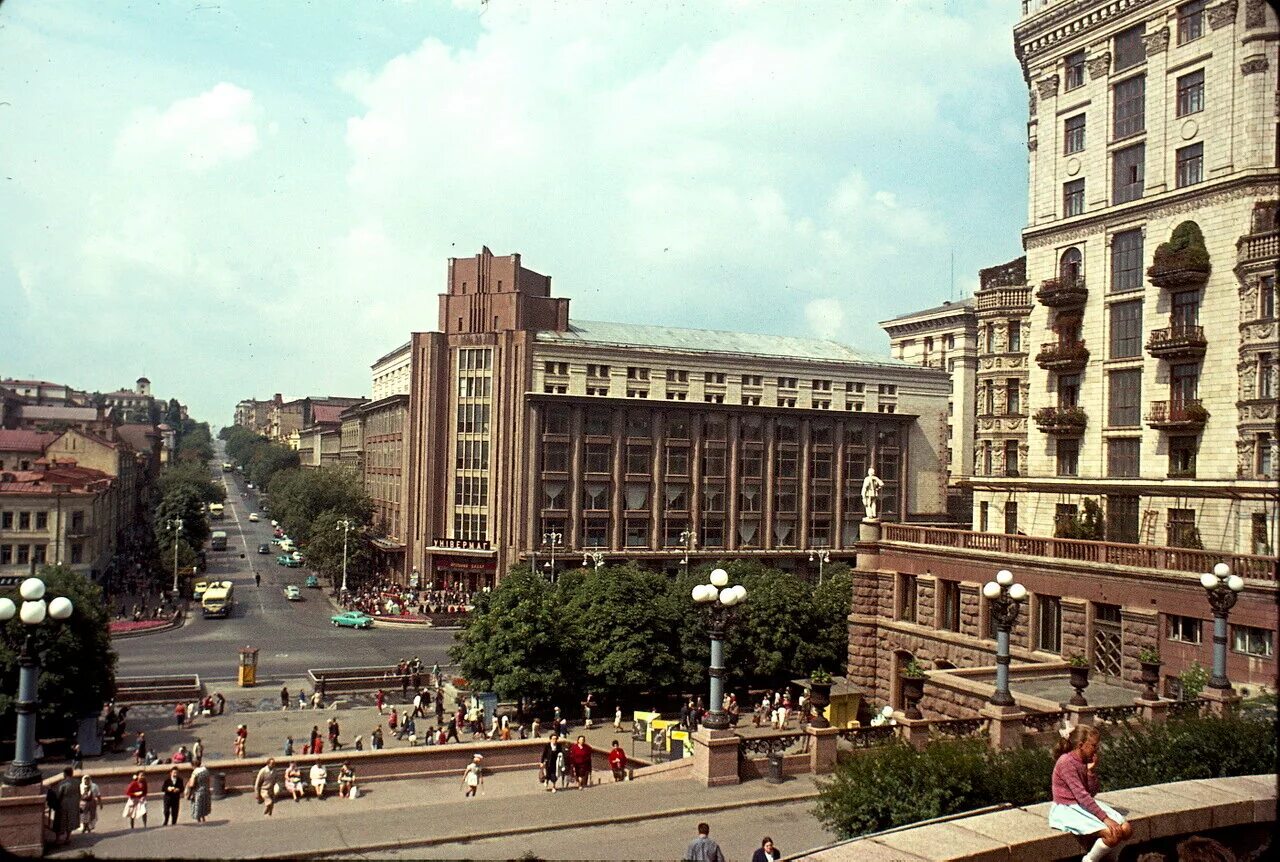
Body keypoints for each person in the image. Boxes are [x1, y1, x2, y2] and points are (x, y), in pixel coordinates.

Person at [1048, 726, 1132, 861]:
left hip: (1082, 804)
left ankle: (1111, 857)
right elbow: (1081, 795)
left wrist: (1090, 772)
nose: (1096, 750)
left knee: (1126, 829)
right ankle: (1090, 860)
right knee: (1111, 834)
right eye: (1093, 746)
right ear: (1081, 745)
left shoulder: (1082, 761)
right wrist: (1105, 818)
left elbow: (1091, 792)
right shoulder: (1066, 762)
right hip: (1068, 807)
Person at [51, 766, 80, 844]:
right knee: (70, 821)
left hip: (63, 804)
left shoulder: (62, 783)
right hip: (73, 804)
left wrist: (56, 804)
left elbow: (59, 795)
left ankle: (57, 839)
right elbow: (79, 794)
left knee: (59, 822)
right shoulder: (77, 782)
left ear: (65, 774)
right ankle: (67, 838)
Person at [187, 757, 212, 822]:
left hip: (198, 792)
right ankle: (204, 819)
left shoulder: (195, 772)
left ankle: (199, 821)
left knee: (198, 807)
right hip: (206, 790)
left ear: (193, 765)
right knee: (204, 807)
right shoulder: (205, 770)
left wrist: (188, 784)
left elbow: (192, 784)